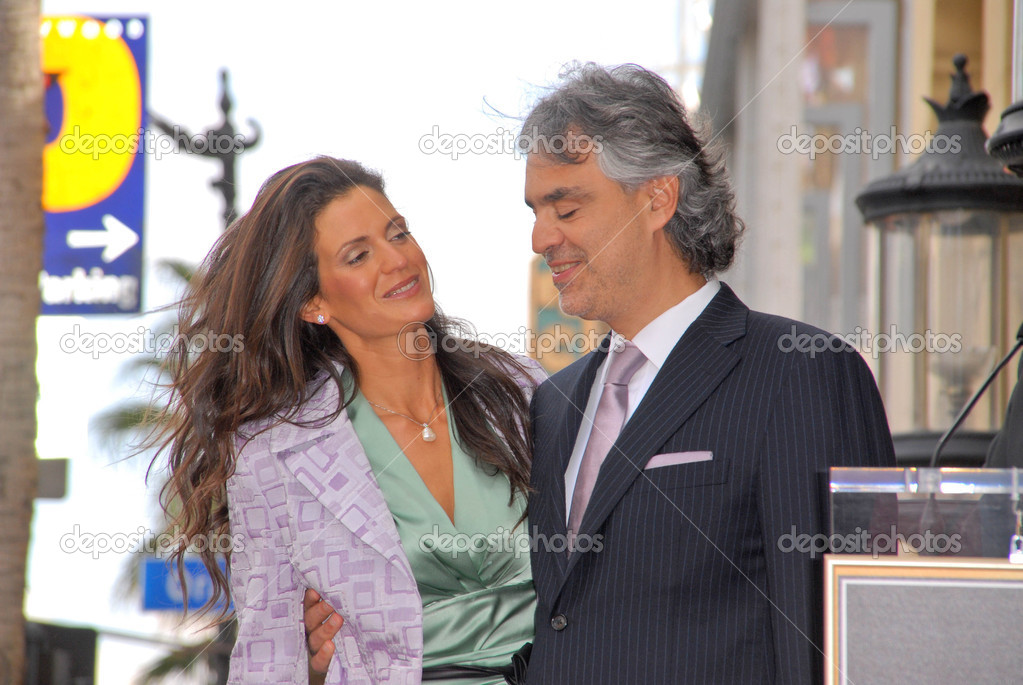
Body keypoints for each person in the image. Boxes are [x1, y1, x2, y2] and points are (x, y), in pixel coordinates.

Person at [519, 64, 896, 684]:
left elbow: (838, 644)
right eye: (535, 211)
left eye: (566, 208)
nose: (540, 237)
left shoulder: (802, 374)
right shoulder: (554, 403)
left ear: (656, 199)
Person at [155, 156, 542, 684]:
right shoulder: (273, 455)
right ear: (314, 302)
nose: (397, 260)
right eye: (359, 256)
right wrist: (316, 674)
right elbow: (269, 659)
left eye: (398, 233)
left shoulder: (525, 392)